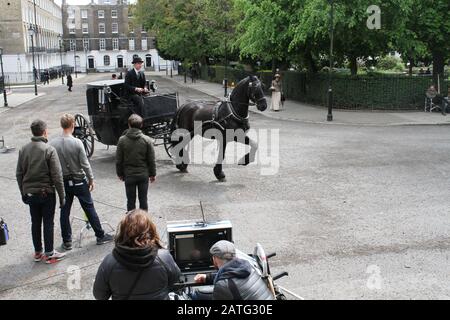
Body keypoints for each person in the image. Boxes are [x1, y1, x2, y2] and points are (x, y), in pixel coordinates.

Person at [50, 114, 114, 250]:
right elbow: (85, 164)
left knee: (64, 211)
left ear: (62, 125)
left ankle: (67, 241)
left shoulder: (53, 144)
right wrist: (91, 179)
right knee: (89, 208)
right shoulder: (77, 143)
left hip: (64, 182)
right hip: (79, 180)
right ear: (73, 125)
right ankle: (100, 235)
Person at [93, 210, 181, 300]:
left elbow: (100, 295)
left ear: (123, 232)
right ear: (150, 230)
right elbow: (176, 281)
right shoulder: (163, 257)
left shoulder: (109, 262)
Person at [16, 120, 67, 264]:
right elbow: (57, 176)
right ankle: (50, 253)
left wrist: (23, 191)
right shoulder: (49, 150)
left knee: (35, 222)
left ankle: (38, 252)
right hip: (46, 192)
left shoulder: (23, 149)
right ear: (44, 131)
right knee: (48, 222)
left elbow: (19, 174)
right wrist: (62, 197)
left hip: (30, 194)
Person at [194, 240, 275, 300]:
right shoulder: (248, 267)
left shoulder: (223, 286)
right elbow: (231, 274)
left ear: (215, 258)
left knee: (197, 295)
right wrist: (207, 277)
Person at [116, 114, 156, 212]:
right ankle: (144, 223)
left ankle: (130, 223)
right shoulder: (147, 140)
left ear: (129, 125)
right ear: (141, 125)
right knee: (143, 200)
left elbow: (119, 160)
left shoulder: (122, 140)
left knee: (130, 201)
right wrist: (152, 174)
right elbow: (151, 159)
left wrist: (120, 173)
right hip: (143, 175)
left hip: (129, 175)